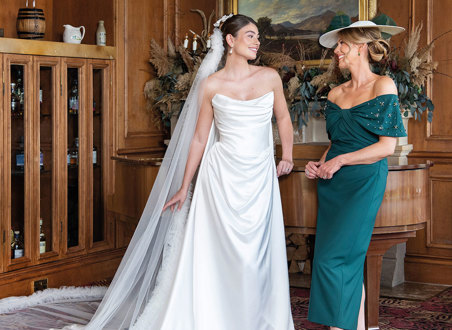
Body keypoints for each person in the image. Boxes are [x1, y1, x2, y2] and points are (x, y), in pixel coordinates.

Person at [56, 14, 295, 330]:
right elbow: (199, 137)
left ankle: (258, 320)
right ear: (230, 41)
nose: (256, 41)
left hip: (259, 178)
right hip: (219, 178)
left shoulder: (269, 77)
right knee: (219, 253)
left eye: (257, 37)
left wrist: (287, 155)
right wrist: (184, 186)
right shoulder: (211, 85)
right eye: (249, 36)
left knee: (257, 254)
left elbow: (283, 119)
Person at [305, 21, 406, 330]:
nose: (336, 51)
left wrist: (341, 161)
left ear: (361, 48)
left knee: (335, 261)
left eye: (342, 45)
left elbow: (386, 147)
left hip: (363, 181)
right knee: (337, 262)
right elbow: (337, 144)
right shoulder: (335, 93)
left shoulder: (383, 85)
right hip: (333, 182)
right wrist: (320, 164)